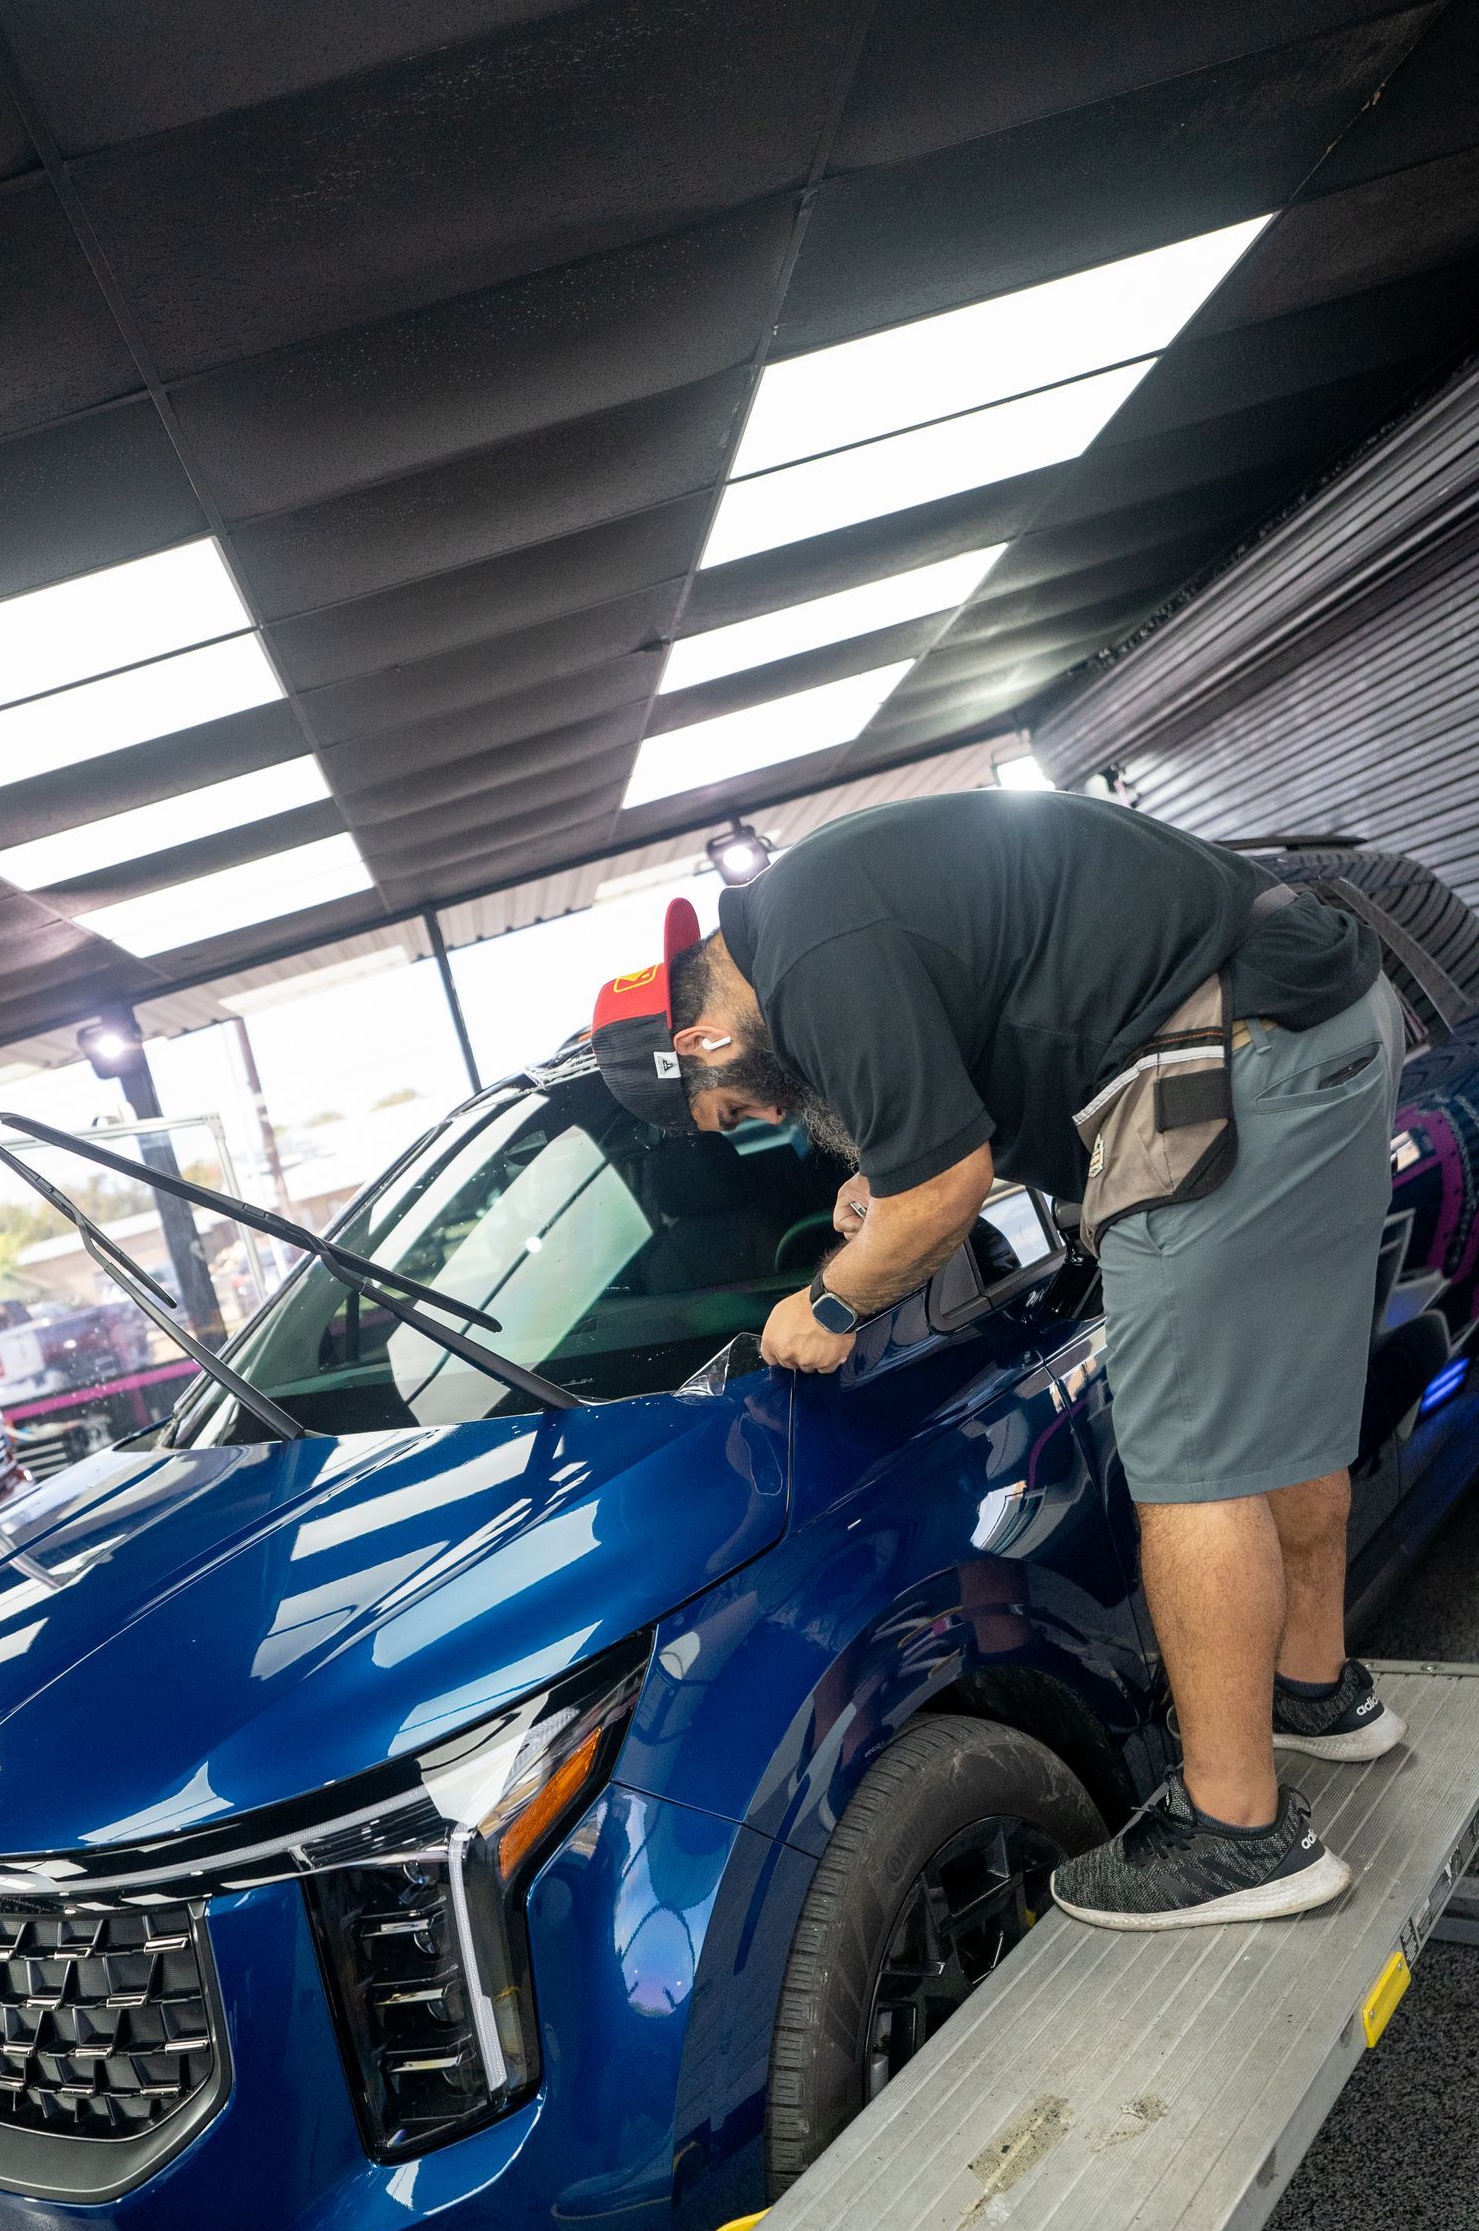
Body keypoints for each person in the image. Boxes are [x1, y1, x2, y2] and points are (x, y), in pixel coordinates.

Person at [589, 790, 1405, 1934]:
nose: (759, 1120)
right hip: (1323, 1018)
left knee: (1189, 1467)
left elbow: (947, 1191)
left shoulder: (814, 957)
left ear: (698, 1043)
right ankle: (1316, 1697)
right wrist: (898, 1168)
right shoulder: (819, 911)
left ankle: (1238, 1838)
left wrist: (827, 1300)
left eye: (730, 1108)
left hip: (1227, 1057)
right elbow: (1001, 1027)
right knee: (1281, 1404)